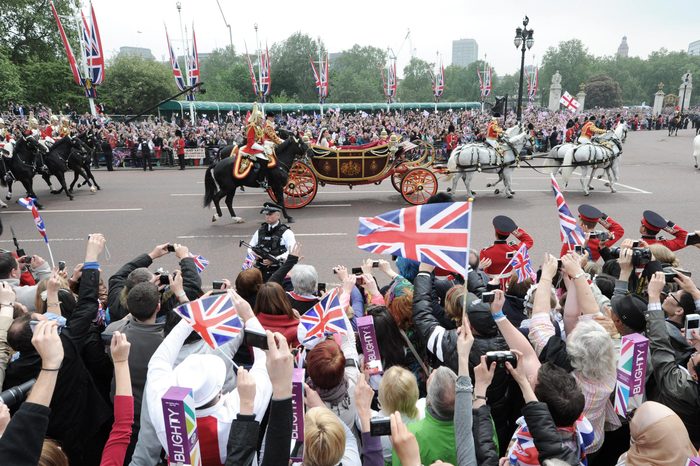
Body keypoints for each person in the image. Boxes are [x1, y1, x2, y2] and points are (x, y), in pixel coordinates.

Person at [480, 215, 534, 287]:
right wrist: (513, 229)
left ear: (496, 232)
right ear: (509, 233)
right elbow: (528, 240)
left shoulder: (485, 252)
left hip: (491, 285)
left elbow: (483, 271)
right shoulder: (514, 249)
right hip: (510, 285)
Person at [247, 202, 296, 281]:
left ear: (278, 215)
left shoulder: (286, 232)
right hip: (260, 269)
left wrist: (275, 259)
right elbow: (250, 246)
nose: (267, 217)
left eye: (270, 214)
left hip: (278, 270)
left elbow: (292, 251)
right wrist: (253, 255)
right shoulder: (261, 230)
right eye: (266, 215)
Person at [560, 204, 625, 261]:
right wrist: (599, 217)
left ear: (582, 223)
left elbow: (562, 259)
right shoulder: (601, 239)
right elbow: (619, 230)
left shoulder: (572, 238)